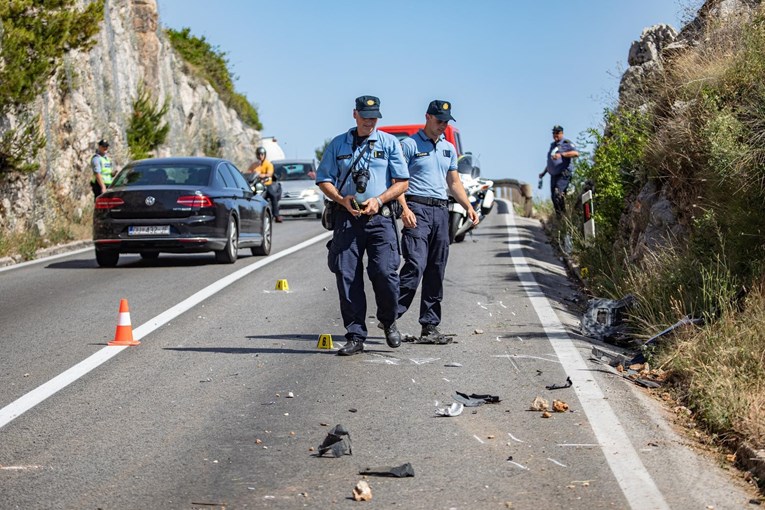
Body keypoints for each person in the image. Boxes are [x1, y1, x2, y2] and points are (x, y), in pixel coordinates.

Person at [315, 95, 410, 356]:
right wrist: (340, 199)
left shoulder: (389, 143)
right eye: (366, 116)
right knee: (347, 276)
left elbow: (402, 182)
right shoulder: (338, 144)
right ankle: (355, 335)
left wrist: (379, 200)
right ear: (355, 114)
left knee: (385, 273)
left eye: (374, 117)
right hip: (348, 217)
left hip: (380, 218)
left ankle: (389, 320)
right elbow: (324, 179)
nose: (370, 122)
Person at [396, 100, 479, 344]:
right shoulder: (409, 145)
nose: (443, 125)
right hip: (416, 208)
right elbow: (397, 179)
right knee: (416, 263)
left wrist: (468, 207)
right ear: (428, 117)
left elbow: (453, 183)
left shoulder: (448, 149)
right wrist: (403, 208)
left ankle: (430, 325)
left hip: (441, 210)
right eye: (439, 120)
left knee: (436, 269)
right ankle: (391, 313)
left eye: (446, 122)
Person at [538, 125, 579, 215]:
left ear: (561, 133)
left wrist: (562, 154)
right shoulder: (553, 145)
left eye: (557, 133)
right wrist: (544, 173)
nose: (555, 135)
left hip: (563, 174)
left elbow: (576, 153)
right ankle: (559, 217)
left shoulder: (566, 143)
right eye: (554, 133)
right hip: (554, 175)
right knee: (553, 197)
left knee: (558, 195)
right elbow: (550, 162)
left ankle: (563, 216)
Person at [248, 146, 282, 222]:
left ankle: (276, 215)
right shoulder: (254, 165)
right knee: (251, 196)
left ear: (264, 155)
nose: (260, 156)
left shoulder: (268, 164)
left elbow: (269, 174)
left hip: (266, 184)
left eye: (262, 154)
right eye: (259, 154)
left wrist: (260, 175)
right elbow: (249, 173)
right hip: (257, 185)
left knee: (273, 195)